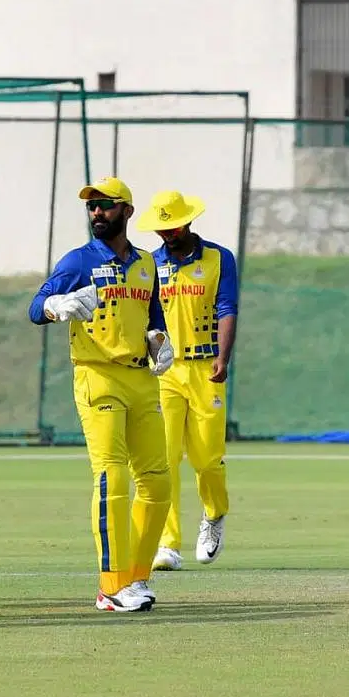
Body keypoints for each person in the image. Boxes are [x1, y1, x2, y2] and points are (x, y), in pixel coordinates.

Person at [29, 177, 175, 613]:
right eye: (92, 207)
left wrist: (158, 340)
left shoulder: (147, 264)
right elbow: (35, 307)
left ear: (127, 211)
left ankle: (136, 577)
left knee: (157, 482)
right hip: (97, 375)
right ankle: (110, 586)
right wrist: (56, 307)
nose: (97, 213)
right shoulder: (78, 261)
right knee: (112, 477)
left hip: (141, 379)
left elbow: (154, 316)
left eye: (106, 206)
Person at [141, 189, 239, 572]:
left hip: (205, 369)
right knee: (163, 459)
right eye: (161, 227)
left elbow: (227, 307)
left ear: (188, 221)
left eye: (173, 225)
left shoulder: (217, 258)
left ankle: (214, 516)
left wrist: (223, 357)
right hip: (165, 371)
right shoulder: (149, 264)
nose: (166, 233)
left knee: (207, 459)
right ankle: (167, 543)